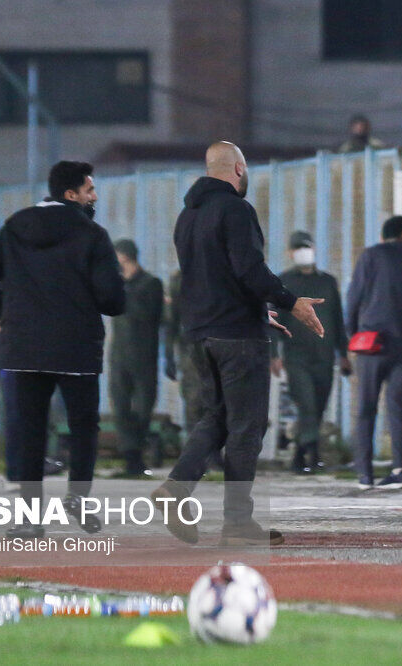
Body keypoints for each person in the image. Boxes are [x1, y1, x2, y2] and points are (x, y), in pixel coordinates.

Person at [151, 141, 324, 547]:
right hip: (236, 338)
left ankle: (175, 489)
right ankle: (237, 523)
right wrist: (290, 303)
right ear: (239, 169)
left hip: (200, 334)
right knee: (247, 426)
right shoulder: (235, 210)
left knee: (218, 417)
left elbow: (211, 278)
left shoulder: (187, 216)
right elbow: (249, 269)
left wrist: (258, 311)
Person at [0, 160, 125, 538]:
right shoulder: (93, 234)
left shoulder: (15, 226)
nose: (94, 196)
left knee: (30, 432)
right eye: (89, 190)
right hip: (76, 348)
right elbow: (112, 299)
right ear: (71, 194)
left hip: (23, 348)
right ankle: (78, 498)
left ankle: (29, 520)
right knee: (84, 427)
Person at [346, 215, 402, 490]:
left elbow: (354, 297)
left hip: (371, 344)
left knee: (365, 408)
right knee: (398, 408)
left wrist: (353, 334)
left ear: (383, 235)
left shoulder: (370, 256)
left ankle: (364, 474)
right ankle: (399, 470)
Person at [270, 231, 352, 474]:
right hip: (296, 356)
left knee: (318, 405)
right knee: (306, 403)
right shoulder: (283, 282)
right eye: (297, 248)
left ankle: (299, 455)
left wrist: (343, 353)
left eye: (306, 247)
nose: (303, 252)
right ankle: (313, 454)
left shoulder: (327, 282)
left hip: (324, 355)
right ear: (290, 253)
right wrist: (274, 354)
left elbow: (337, 319)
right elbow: (274, 320)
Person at [108, 238, 163, 478]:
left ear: (125, 256)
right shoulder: (116, 284)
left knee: (142, 408)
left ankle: (137, 453)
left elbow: (150, 314)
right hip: (119, 356)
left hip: (143, 355)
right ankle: (130, 457)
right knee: (120, 407)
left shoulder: (150, 284)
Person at [164, 270, 203, 436]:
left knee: (217, 402)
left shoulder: (224, 273)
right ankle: (196, 446)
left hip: (221, 349)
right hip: (191, 350)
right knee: (194, 401)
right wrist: (168, 356)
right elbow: (170, 321)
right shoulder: (179, 279)